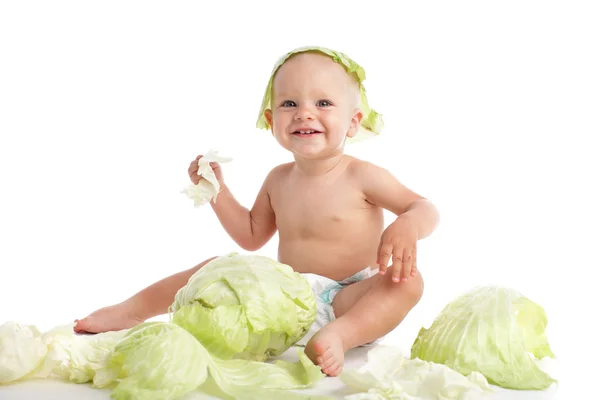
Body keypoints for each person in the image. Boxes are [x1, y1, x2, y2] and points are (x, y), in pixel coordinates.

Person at [73, 46, 440, 377]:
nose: (304, 114)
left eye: (323, 103)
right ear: (271, 118)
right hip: (285, 300)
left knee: (407, 282)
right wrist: (216, 190)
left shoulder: (363, 175)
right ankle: (132, 310)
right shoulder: (278, 179)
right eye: (289, 104)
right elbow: (251, 236)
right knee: (215, 266)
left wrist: (408, 222)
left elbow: (423, 206)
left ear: (354, 121)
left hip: (353, 300)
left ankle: (340, 337)